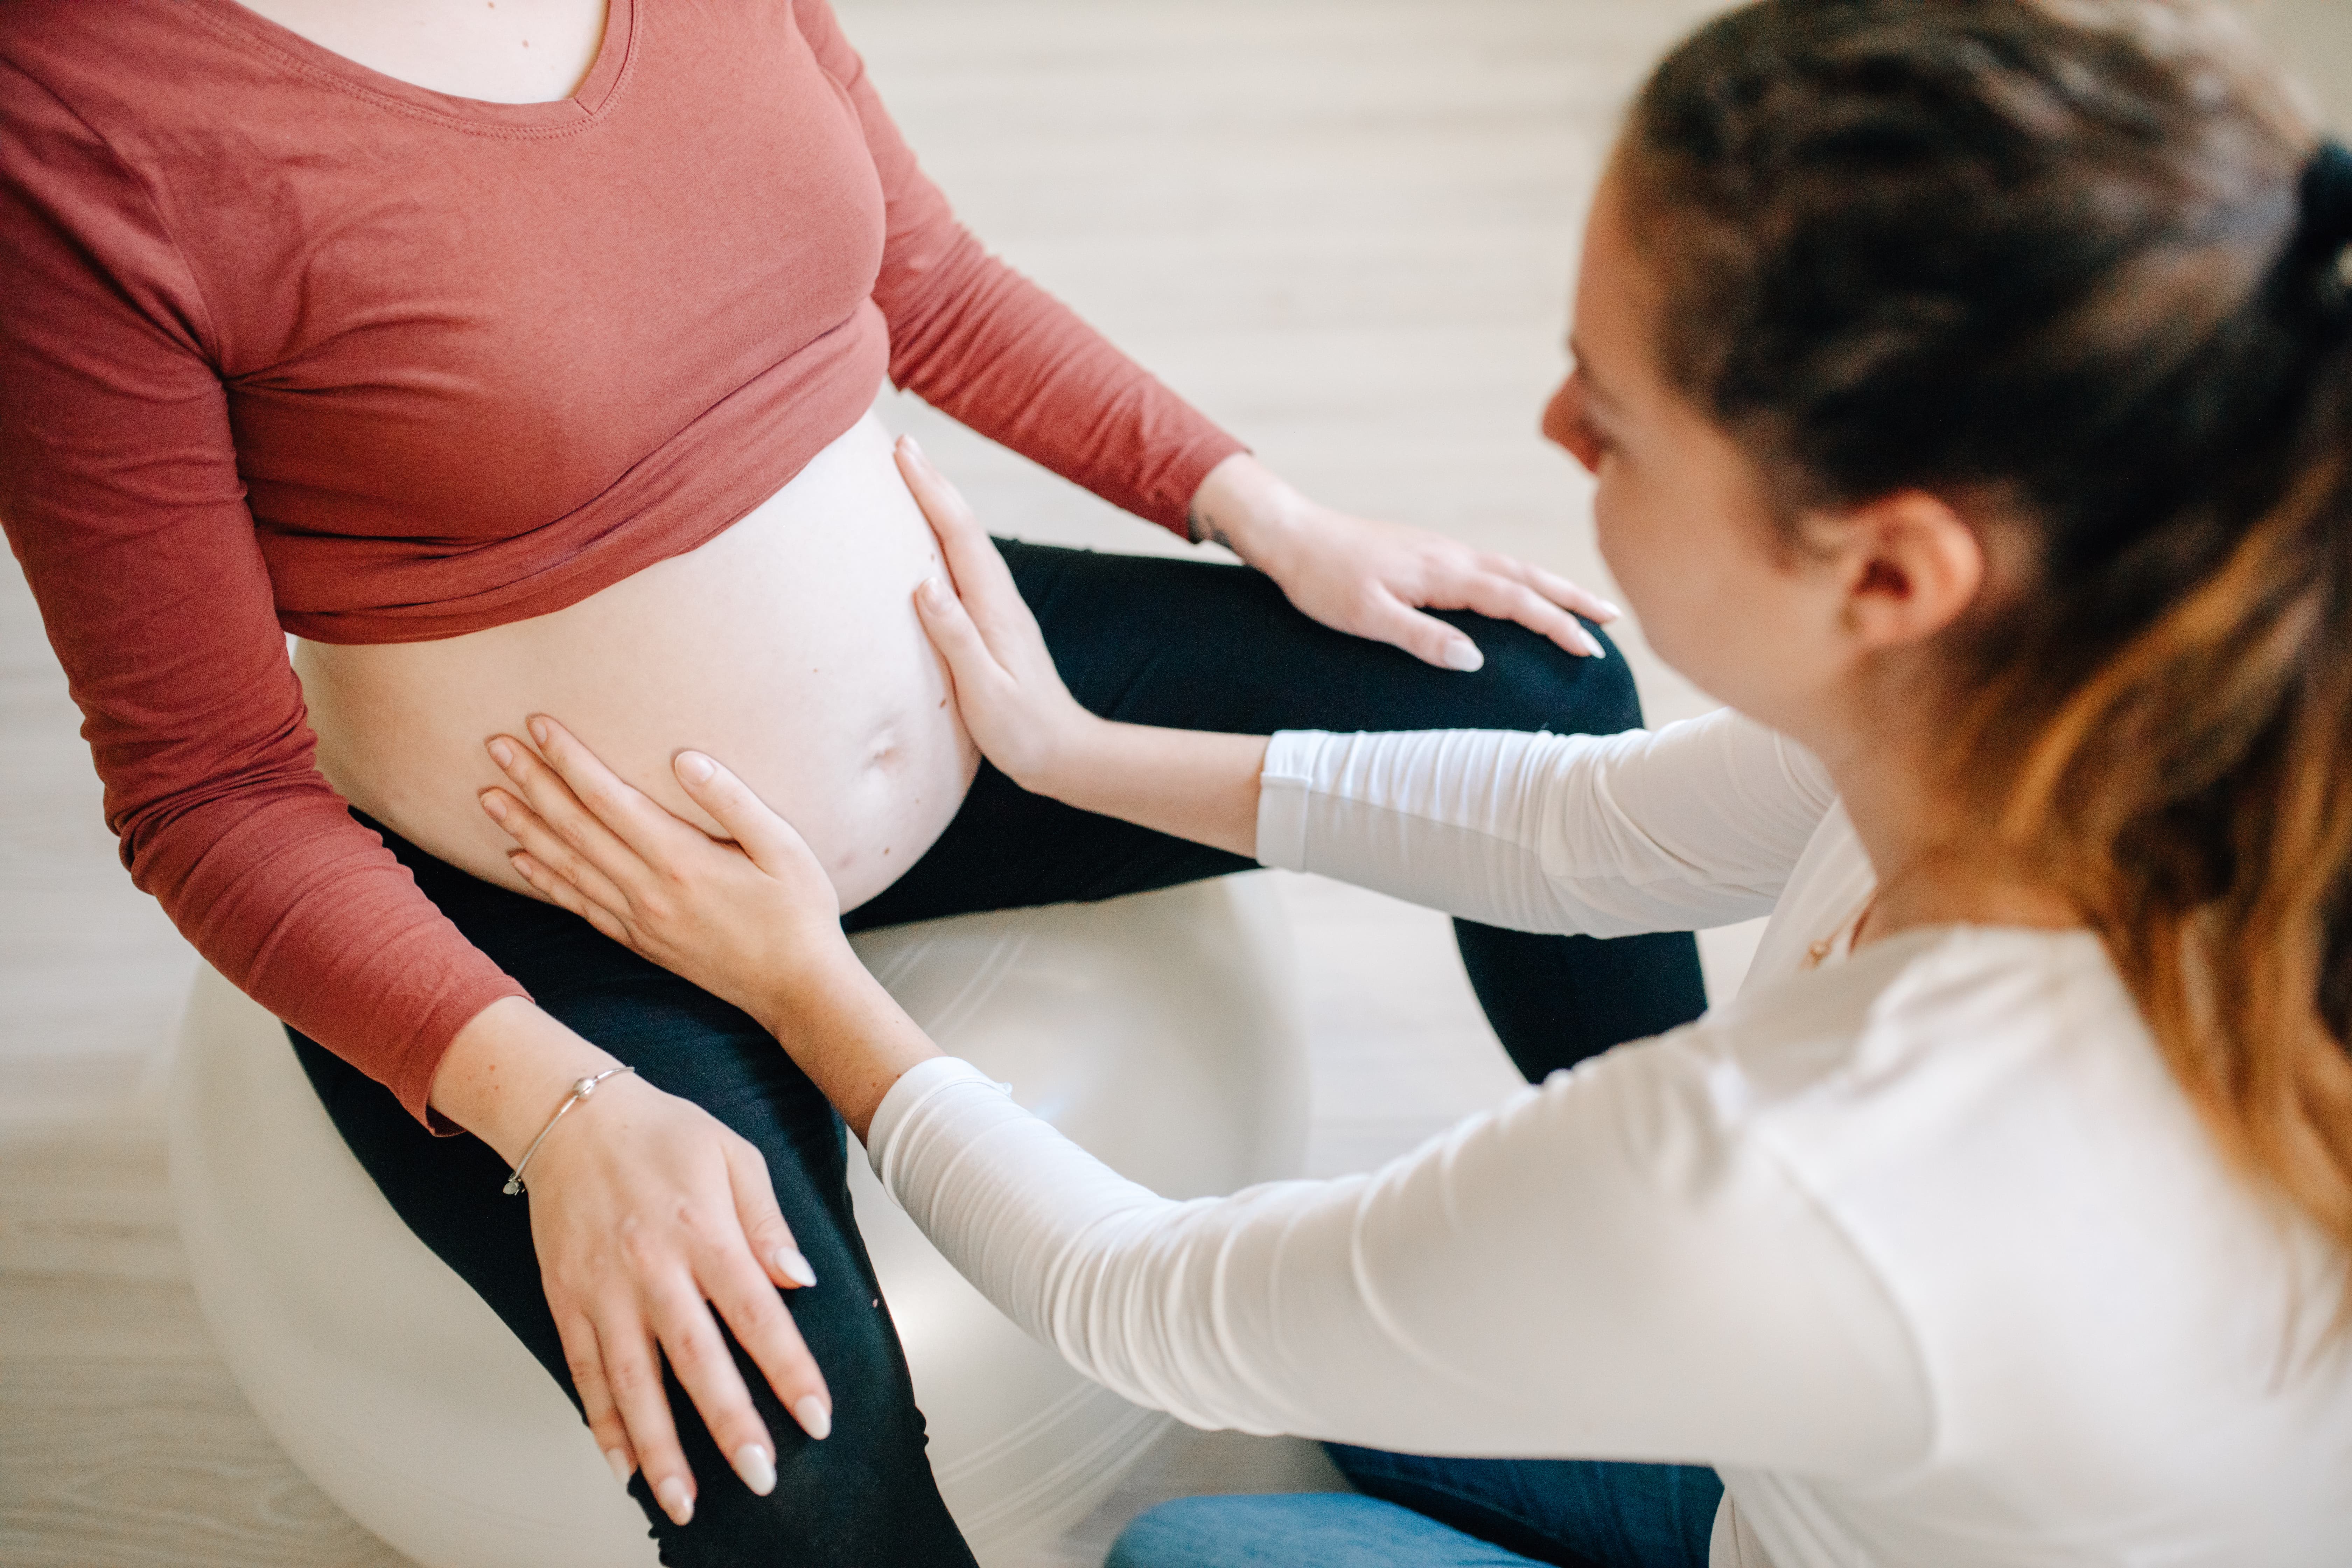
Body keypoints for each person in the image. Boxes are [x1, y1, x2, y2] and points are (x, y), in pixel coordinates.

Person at [466, 1, 2352, 1563]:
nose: (1547, 427)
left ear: (1885, 570)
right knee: (1370, 1395)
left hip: (1806, 1481)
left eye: (1605, 412)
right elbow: (1580, 829)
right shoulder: (2081, 692)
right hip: (1876, 1422)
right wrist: (1074, 751)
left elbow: (1150, 1299)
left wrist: (806, 979)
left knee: (1189, 1549)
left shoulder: (1799, 1177)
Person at [0, 0, 1707, 1559]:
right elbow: (205, 791)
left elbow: (928, 276)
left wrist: (1272, 515)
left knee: (1540, 690)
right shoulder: (77, 114)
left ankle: (1694, 1311)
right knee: (793, 1458)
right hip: (557, 901)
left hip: (980, 701)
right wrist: (559, 1111)